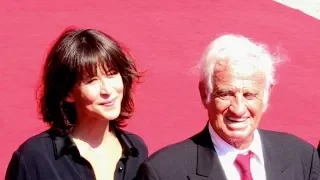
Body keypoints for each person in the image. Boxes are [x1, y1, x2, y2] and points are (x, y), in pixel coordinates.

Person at [136, 34, 320, 180]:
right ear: (204, 93)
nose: (238, 109)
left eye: (249, 95)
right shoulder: (163, 172)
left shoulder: (301, 157)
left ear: (267, 94)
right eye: (225, 94)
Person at [5, 28, 148, 180]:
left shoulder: (136, 150)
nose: (107, 90)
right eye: (92, 81)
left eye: (112, 74)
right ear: (68, 93)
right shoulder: (34, 157)